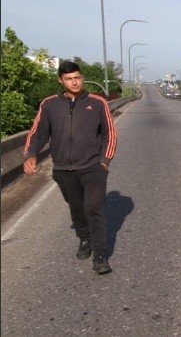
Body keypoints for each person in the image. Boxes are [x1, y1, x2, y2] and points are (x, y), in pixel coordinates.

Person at [23, 61, 117, 275]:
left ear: (82, 77)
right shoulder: (49, 105)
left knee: (94, 208)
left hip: (93, 166)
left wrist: (105, 161)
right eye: (69, 79)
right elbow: (38, 133)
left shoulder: (97, 102)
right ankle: (85, 238)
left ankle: (101, 255)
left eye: (77, 77)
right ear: (60, 80)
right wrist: (30, 155)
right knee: (77, 208)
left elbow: (110, 133)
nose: (74, 82)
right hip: (63, 169)